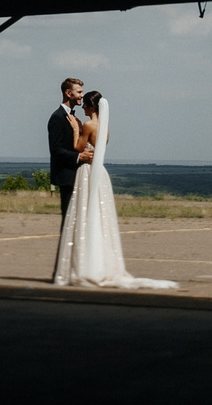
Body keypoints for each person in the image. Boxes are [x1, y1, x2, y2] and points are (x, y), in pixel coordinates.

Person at [50, 89, 177, 289]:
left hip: (88, 172)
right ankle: (103, 263)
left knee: (84, 214)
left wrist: (76, 128)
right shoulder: (105, 127)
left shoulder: (89, 125)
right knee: (101, 216)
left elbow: (78, 147)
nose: (82, 107)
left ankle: (85, 264)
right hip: (101, 173)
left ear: (91, 107)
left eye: (85, 105)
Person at [47, 78, 86, 217]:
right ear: (68, 93)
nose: (82, 95)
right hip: (66, 176)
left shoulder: (74, 118)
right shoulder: (57, 117)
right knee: (68, 216)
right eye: (79, 92)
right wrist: (79, 157)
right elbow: (56, 149)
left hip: (76, 174)